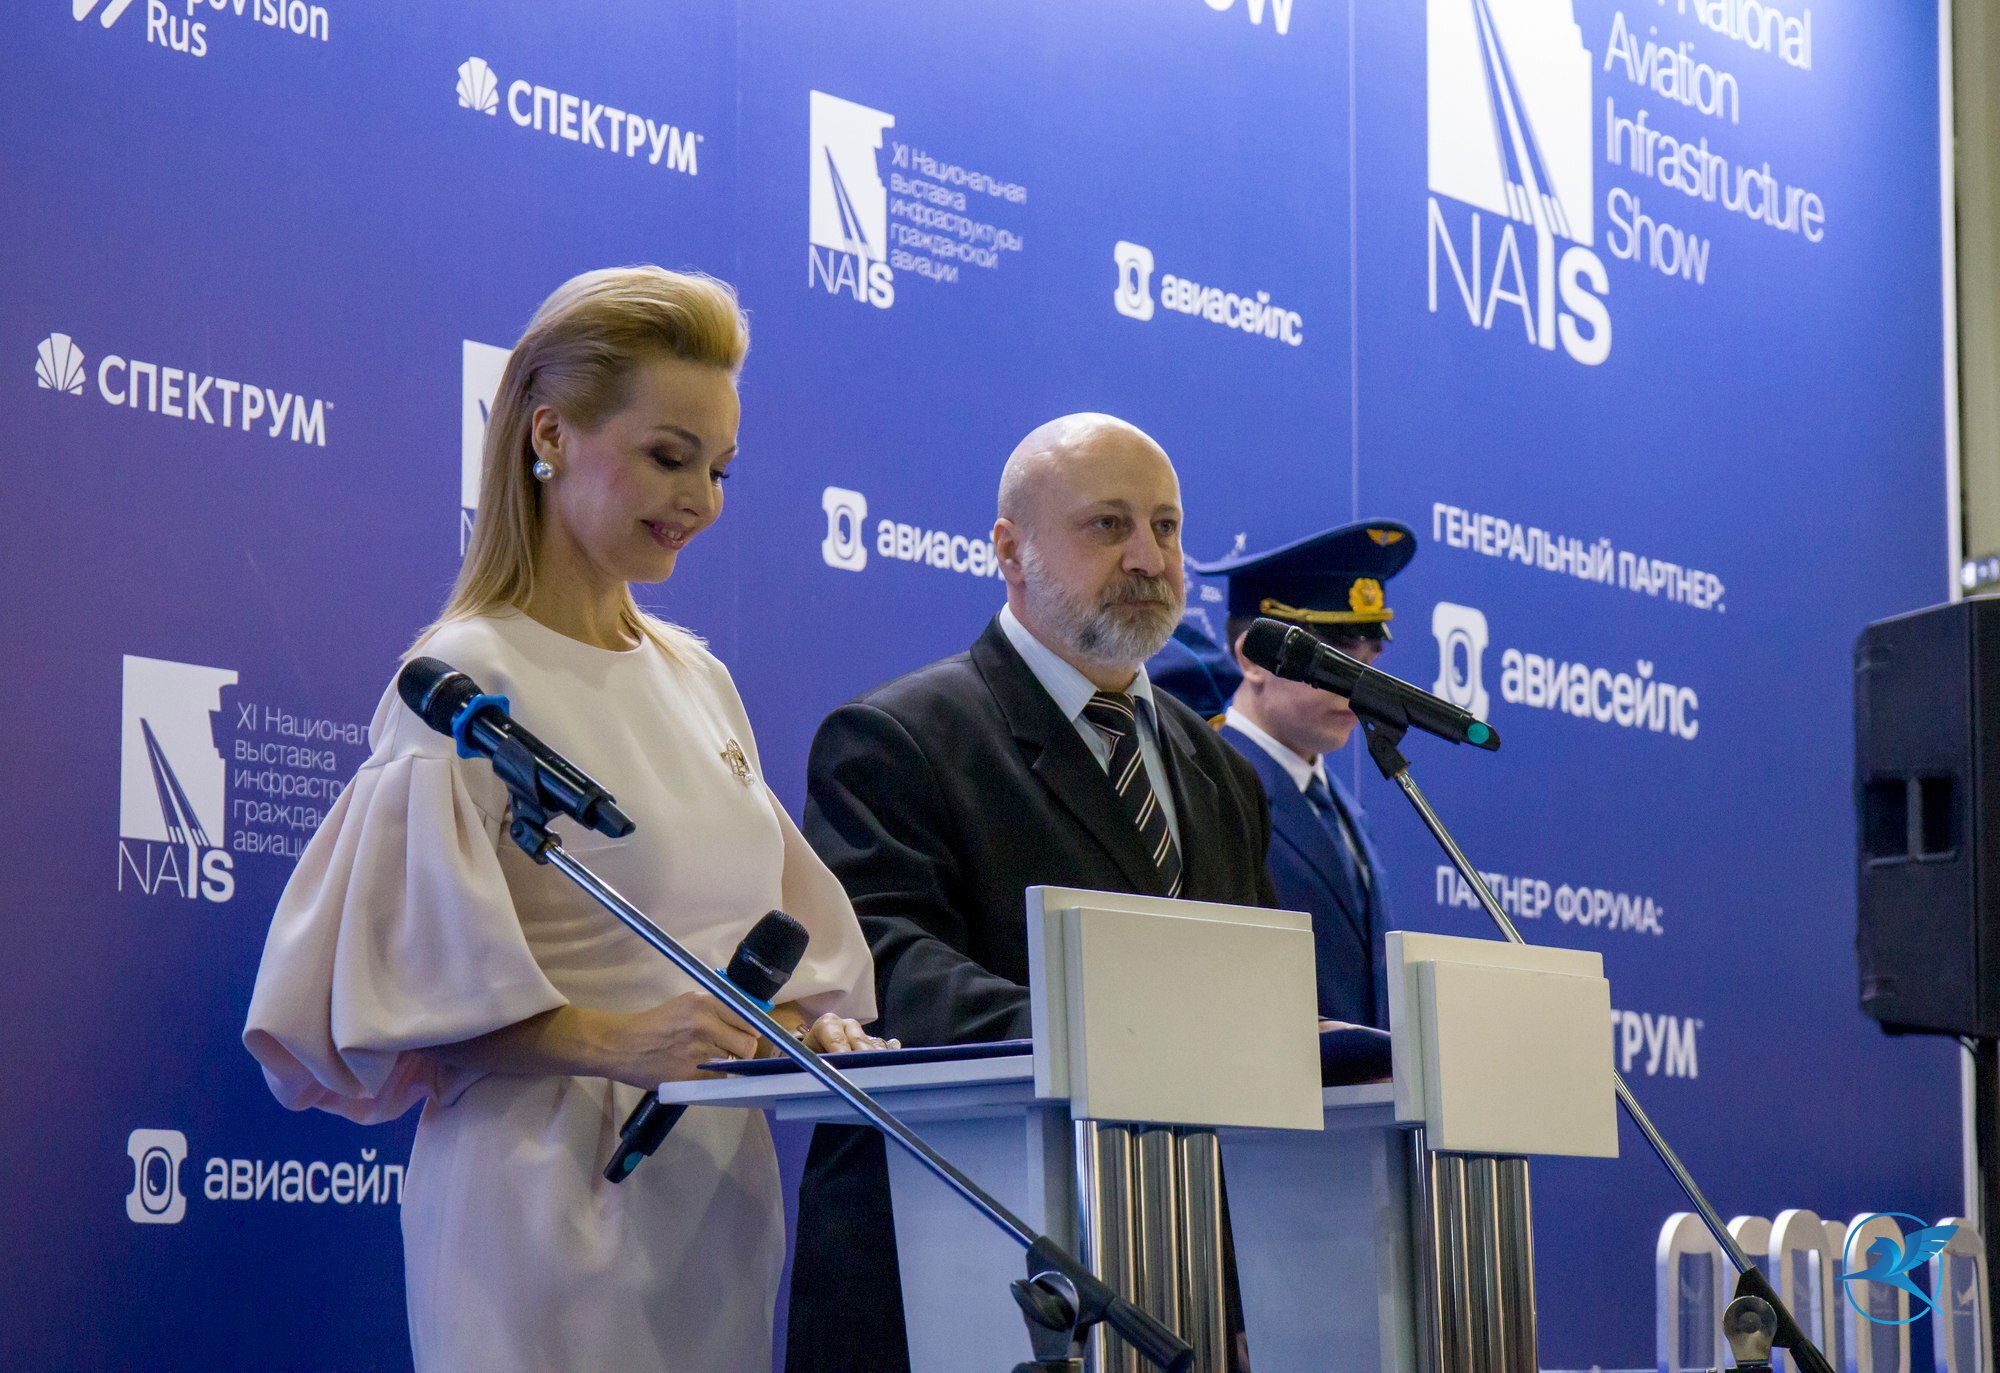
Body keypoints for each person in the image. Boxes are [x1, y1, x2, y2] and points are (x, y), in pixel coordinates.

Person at [241, 266, 886, 1373]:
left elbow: (768, 942)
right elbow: (390, 994)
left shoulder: (699, 678)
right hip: (537, 1204)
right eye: (669, 456)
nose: (701, 500)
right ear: (549, 434)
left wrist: (798, 1028)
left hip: (716, 1205)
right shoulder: (463, 680)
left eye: (720, 468)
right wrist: (615, 1038)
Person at [787, 412, 1276, 1373]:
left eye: (1167, 527)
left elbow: (1251, 988)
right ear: (1010, 550)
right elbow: (883, 968)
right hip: (957, 1257)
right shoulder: (898, 738)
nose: (1149, 558)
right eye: (1109, 525)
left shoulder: (1220, 771)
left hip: (1171, 1267)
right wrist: (1115, 1031)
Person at [1152, 520, 1416, 1028]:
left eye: (1369, 660)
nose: (1360, 685)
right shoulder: (1200, 785)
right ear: (1254, 658)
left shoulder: (1342, 809)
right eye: (1336, 660)